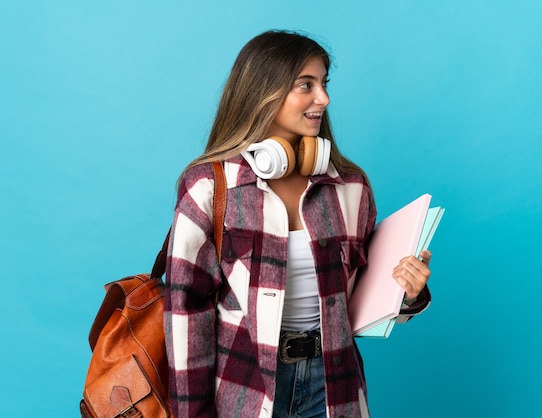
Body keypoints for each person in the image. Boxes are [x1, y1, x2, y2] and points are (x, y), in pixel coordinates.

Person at [164, 30, 432, 418]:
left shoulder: (350, 187)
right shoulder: (210, 187)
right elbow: (184, 312)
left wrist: (408, 293)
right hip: (244, 386)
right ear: (262, 91)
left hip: (334, 386)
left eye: (323, 83)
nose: (323, 98)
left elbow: (362, 302)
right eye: (305, 84)